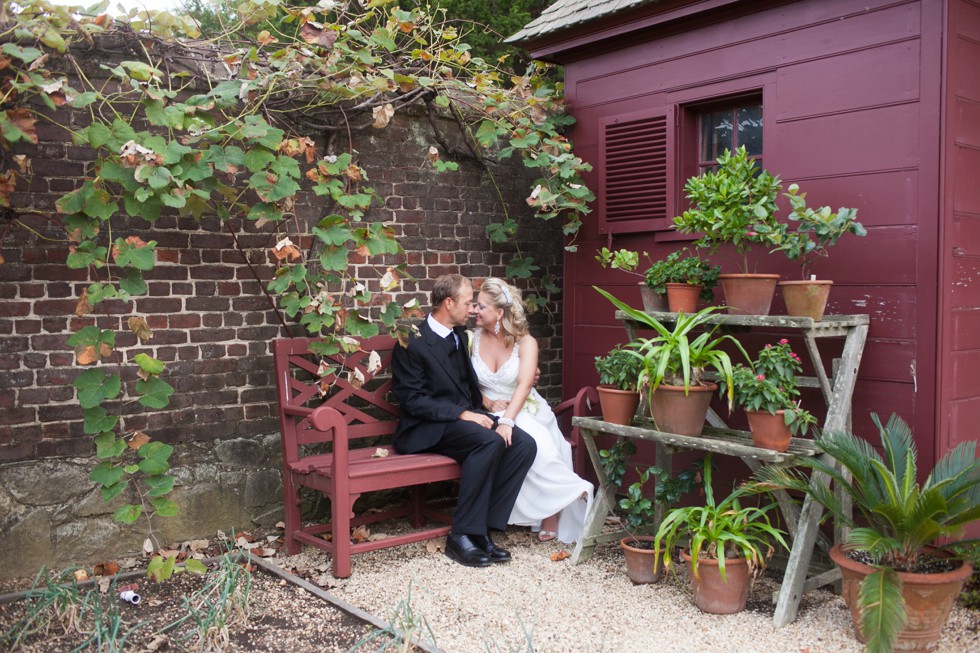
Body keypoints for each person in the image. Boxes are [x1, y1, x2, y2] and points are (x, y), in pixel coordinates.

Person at [391, 273, 537, 568]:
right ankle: (461, 535)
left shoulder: (459, 335)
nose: (472, 309)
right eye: (468, 303)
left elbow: (467, 383)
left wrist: (485, 405)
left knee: (523, 444)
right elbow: (413, 400)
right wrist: (463, 414)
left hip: (462, 421)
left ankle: (482, 528)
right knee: (487, 442)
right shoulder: (411, 341)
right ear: (448, 303)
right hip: (425, 427)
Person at [470, 278, 593, 544]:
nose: (473, 311)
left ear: (499, 313)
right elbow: (463, 380)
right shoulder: (472, 339)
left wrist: (508, 420)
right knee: (524, 443)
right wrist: (487, 402)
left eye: (480, 306)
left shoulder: (526, 343)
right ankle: (565, 494)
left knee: (539, 440)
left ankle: (564, 499)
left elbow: (525, 384)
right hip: (489, 409)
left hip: (523, 406)